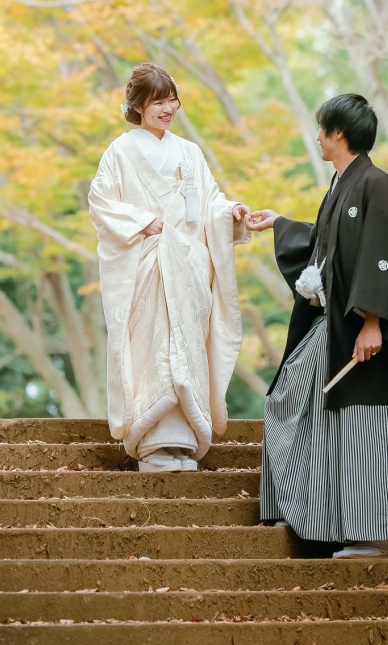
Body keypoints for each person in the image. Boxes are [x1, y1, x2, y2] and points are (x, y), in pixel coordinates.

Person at [246, 93, 388, 557]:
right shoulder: (340, 186)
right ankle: (303, 509)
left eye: (321, 129)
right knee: (288, 398)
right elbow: (327, 247)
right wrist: (279, 224)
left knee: (365, 427)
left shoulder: (376, 183)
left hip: (361, 331)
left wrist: (373, 323)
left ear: (338, 133)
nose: (317, 137)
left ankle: (376, 536)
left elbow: (379, 255)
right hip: (331, 328)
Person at [88, 63, 251, 473]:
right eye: (158, 102)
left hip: (188, 268)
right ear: (138, 106)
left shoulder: (189, 152)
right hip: (147, 265)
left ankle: (183, 441)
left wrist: (231, 211)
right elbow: (101, 201)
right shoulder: (120, 151)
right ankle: (152, 443)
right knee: (154, 346)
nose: (167, 109)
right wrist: (143, 222)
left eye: (172, 101)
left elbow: (210, 202)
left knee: (185, 345)